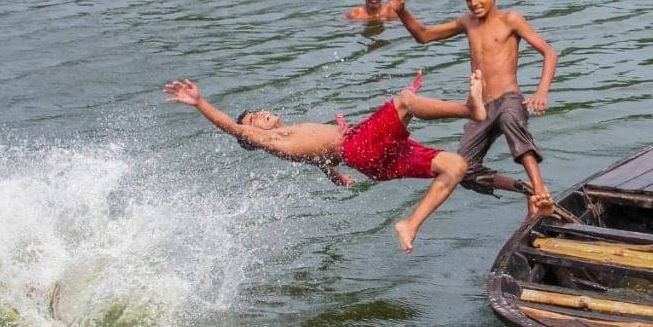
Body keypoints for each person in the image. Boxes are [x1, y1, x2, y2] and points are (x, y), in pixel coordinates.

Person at [163, 71, 487, 253]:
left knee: (455, 166)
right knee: (404, 101)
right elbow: (232, 127)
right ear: (254, 136)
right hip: (360, 148)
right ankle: (469, 110)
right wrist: (200, 102)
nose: (259, 116)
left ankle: (410, 224)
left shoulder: (290, 140)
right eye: (253, 121)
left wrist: (336, 177)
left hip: (370, 160)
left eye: (257, 112)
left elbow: (318, 159)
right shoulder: (271, 140)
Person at [388, 0, 559, 217]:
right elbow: (423, 36)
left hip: (509, 98)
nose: (474, 3)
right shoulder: (467, 23)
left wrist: (542, 91)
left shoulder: (510, 19)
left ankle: (541, 193)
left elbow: (549, 52)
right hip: (481, 108)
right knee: (464, 169)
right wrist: (402, 10)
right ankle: (527, 190)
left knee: (510, 120)